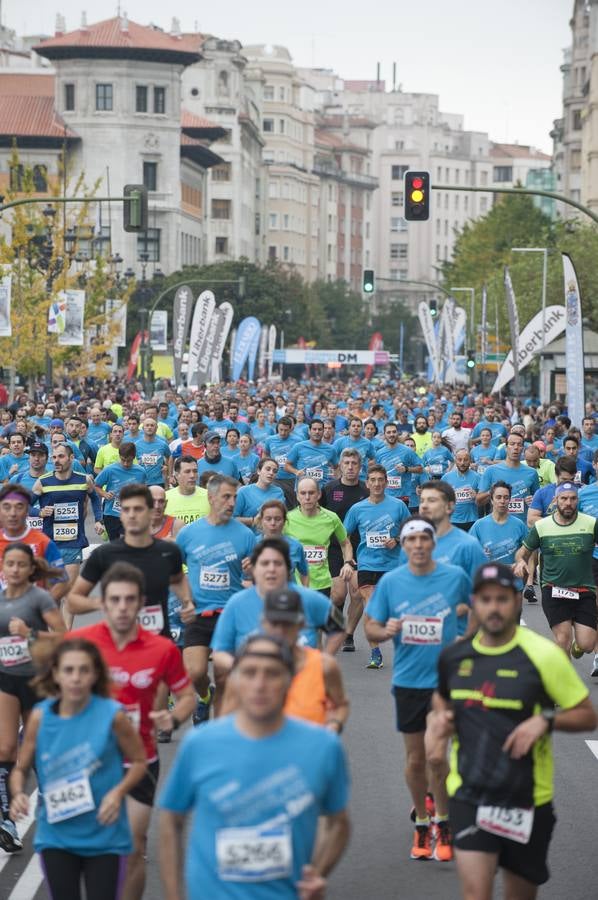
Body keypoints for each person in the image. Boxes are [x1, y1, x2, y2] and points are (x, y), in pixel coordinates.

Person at [426, 561, 597, 900]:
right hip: (470, 793)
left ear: (517, 601)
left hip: (527, 798)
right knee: (476, 893)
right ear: (474, 602)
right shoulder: (454, 658)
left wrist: (546, 720)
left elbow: (587, 716)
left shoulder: (544, 656)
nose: (493, 607)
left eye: (502, 599)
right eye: (486, 599)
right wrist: (437, 730)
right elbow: (441, 705)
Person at [158, 633, 350, 900]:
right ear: (235, 680)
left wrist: (317, 873)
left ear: (289, 681)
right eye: (249, 673)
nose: (259, 684)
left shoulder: (323, 746)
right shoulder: (200, 744)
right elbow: (170, 819)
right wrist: (173, 894)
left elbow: (339, 823)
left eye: (271, 674)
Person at [70, 562, 195, 900]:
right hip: (90, 760)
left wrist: (173, 718)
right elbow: (51, 693)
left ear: (141, 604)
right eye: (115, 600)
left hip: (140, 758)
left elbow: (185, 697)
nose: (123, 608)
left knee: (133, 844)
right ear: (103, 602)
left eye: (130, 600)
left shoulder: (162, 649)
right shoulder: (80, 643)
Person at [364, 517, 471, 862]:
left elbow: (480, 609)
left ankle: (444, 820)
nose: (419, 545)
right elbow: (371, 629)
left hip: (445, 680)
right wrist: (386, 630)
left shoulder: (454, 578)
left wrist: (465, 639)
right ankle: (422, 823)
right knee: (415, 759)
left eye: (425, 538)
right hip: (408, 681)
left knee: (438, 755)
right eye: (412, 540)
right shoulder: (392, 583)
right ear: (404, 545)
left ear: (433, 544)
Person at [9, 638, 146, 897]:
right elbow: (21, 768)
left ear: (95, 675)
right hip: (56, 836)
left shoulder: (113, 715)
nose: (76, 678)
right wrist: (17, 794)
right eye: (68, 670)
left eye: (84, 670)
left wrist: (117, 794)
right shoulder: (40, 717)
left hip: (105, 835)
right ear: (56, 675)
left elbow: (140, 762)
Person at [212, 538, 345, 693]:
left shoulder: (308, 599)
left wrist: (322, 661)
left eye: (278, 563)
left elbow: (339, 627)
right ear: (254, 569)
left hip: (301, 689)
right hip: (255, 693)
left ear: (288, 568)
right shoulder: (237, 603)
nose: (271, 569)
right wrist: (245, 667)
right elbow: (219, 652)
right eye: (265, 563)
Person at [0, 543, 66, 853]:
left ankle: (58, 809)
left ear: (30, 569)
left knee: (39, 746)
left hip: (37, 678)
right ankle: (7, 821)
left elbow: (63, 634)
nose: (14, 569)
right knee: (6, 747)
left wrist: (30, 633)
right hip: (7, 680)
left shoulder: (38, 598)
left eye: (19, 564)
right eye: (9, 564)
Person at [176, 474, 257, 723]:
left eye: (234, 497)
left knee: (224, 675)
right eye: (226, 497)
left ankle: (221, 730)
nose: (232, 503)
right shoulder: (189, 533)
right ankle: (203, 696)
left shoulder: (245, 535)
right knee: (195, 671)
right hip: (199, 613)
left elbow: (258, 580)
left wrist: (253, 569)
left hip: (230, 615)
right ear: (211, 498)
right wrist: (185, 600)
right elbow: (174, 572)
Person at [68, 483, 191, 638]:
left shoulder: (168, 551)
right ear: (121, 515)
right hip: (119, 643)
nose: (132, 515)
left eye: (138, 509)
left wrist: (187, 602)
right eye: (126, 509)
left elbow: (178, 579)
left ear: (149, 512)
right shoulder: (104, 555)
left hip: (158, 642)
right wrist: (103, 602)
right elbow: (73, 601)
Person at [221, 587, 350, 731]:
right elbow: (226, 722)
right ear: (263, 623)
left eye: (288, 624)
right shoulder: (245, 668)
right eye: (275, 623)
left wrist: (333, 726)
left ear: (301, 625)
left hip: (307, 750)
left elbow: (341, 705)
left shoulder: (324, 665)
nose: (281, 630)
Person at [515, 482, 598, 659]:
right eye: (564, 498)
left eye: (573, 498)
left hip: (584, 590)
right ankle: (564, 683)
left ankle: (579, 645)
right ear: (555, 500)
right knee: (563, 639)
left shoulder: (591, 523)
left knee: (588, 644)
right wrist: (521, 562)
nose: (568, 503)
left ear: (578, 500)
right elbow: (522, 553)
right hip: (554, 589)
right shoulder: (542, 526)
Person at [344, 464, 409, 667]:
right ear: (367, 483)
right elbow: (344, 535)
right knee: (371, 608)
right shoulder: (358, 508)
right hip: (367, 565)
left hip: (393, 566)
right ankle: (375, 653)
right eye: (373, 480)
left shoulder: (398, 505)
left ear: (387, 482)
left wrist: (396, 539)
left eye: (381, 480)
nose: (377, 484)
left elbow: (411, 530)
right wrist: (349, 559)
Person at [33, 442, 104, 590]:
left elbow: (96, 499)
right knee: (53, 593)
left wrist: (98, 520)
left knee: (68, 591)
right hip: (50, 542)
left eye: (61, 456)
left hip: (73, 541)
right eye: (54, 457)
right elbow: (24, 506)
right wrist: (39, 512)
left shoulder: (84, 480)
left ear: (71, 457)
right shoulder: (42, 482)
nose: (56, 460)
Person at [320, 448, 369, 647]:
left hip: (359, 548)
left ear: (360, 467)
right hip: (333, 548)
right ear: (340, 466)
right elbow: (319, 515)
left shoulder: (366, 491)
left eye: (354, 464)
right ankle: (337, 621)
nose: (350, 467)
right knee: (338, 594)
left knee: (357, 593)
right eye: (346, 463)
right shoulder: (330, 489)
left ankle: (348, 634)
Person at [285, 476, 355, 597]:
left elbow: (345, 543)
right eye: (303, 493)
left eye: (311, 493)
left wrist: (348, 562)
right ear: (297, 496)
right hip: (295, 584)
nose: (307, 497)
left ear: (319, 494)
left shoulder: (331, 518)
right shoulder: (287, 519)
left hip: (322, 584)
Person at [469, 481, 528, 591]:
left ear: (510, 499)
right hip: (487, 585)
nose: (502, 501)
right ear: (491, 500)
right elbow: (470, 555)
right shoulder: (479, 525)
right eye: (498, 497)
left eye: (506, 497)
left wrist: (522, 566)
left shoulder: (519, 525)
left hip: (513, 585)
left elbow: (527, 553)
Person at [477, 432, 540, 524]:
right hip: (497, 525)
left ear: (522, 449)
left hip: (523, 526)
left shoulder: (532, 473)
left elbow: (537, 501)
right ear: (506, 448)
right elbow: (479, 501)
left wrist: (532, 500)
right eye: (512, 444)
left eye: (519, 445)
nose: (515, 447)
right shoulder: (491, 471)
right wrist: (491, 491)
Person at [94, 442, 147, 540]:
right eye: (123, 460)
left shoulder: (141, 472)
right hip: (112, 514)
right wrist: (105, 494)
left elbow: (143, 491)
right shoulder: (109, 470)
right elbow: (96, 486)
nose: (126, 464)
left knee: (130, 542)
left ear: (134, 457)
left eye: (129, 461)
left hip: (132, 514)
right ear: (119, 456)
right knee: (115, 546)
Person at [254, 499, 309, 585]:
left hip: (288, 595)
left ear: (284, 521)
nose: (273, 523)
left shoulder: (296, 546)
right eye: (268, 519)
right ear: (261, 521)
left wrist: (304, 595)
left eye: (277, 519)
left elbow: (305, 573)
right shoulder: (251, 545)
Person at [284, 418, 339, 489]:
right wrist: (296, 472)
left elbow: (336, 467)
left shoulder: (331, 449)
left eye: (320, 429)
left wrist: (335, 481)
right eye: (314, 429)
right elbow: (286, 465)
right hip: (303, 489)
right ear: (309, 431)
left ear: (323, 431)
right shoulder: (299, 446)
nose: (317, 432)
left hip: (323, 489)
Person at [234, 457, 285, 531]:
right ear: (258, 471)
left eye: (275, 471)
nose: (271, 473)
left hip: (272, 537)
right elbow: (232, 519)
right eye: (268, 469)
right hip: (251, 537)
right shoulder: (243, 491)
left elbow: (282, 517)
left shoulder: (278, 492)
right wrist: (253, 520)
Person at [165, 455, 209, 525]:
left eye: (195, 471)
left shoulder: (210, 497)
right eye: (187, 471)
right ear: (176, 475)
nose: (192, 475)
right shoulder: (165, 498)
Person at [442, 449, 479, 531]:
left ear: (470, 461)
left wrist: (477, 497)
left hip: (472, 520)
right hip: (452, 520)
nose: (462, 463)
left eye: (466, 460)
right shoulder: (446, 477)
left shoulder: (477, 477)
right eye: (459, 460)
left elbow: (484, 501)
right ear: (455, 460)